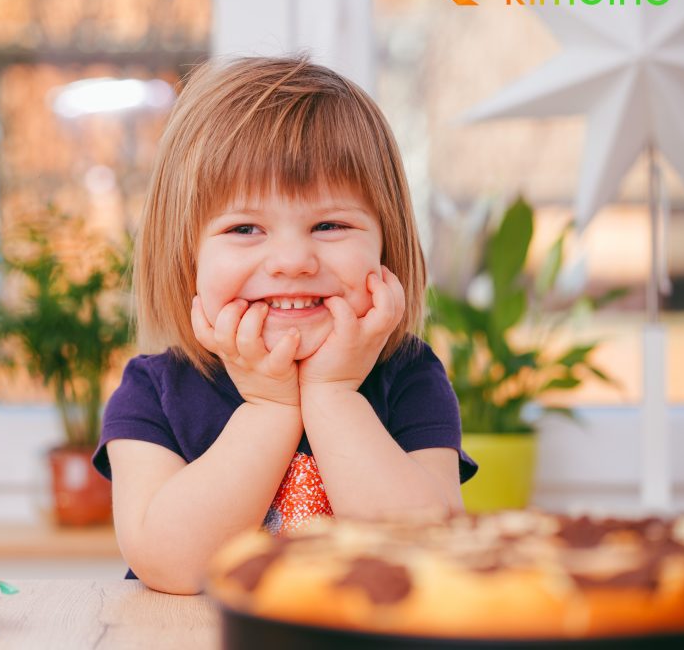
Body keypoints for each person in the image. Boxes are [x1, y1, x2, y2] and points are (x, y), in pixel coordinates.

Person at [91, 56, 477, 595]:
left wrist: (334, 395)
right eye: (245, 227)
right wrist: (270, 408)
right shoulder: (152, 391)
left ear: (387, 246)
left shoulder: (409, 376)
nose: (292, 259)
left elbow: (427, 557)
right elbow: (172, 566)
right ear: (187, 258)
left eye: (330, 224)